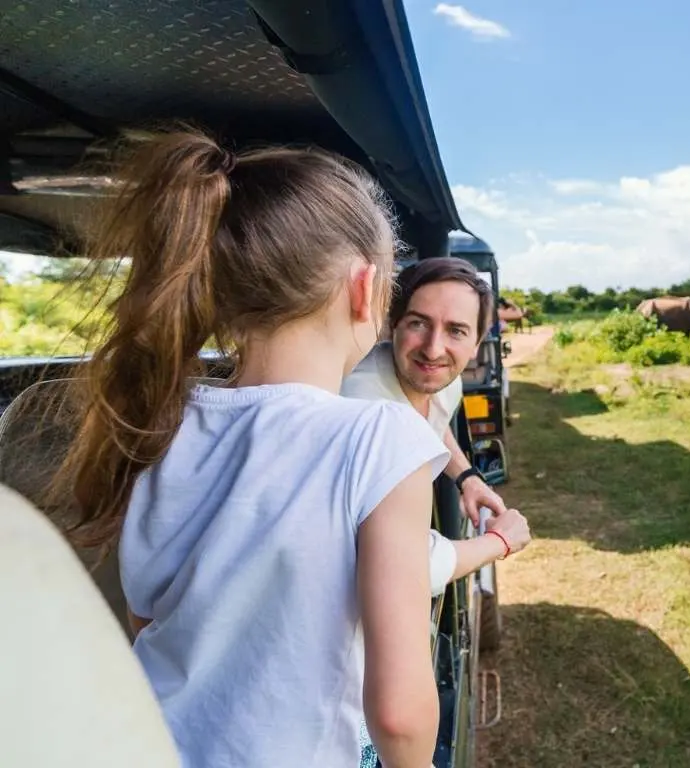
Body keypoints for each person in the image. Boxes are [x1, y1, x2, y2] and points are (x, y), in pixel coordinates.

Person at [52, 130, 448, 768]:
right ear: (365, 288)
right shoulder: (381, 438)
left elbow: (147, 621)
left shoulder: (161, 422)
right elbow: (400, 714)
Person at [341, 256, 531, 598]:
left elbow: (435, 423)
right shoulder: (366, 415)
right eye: (418, 323)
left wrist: (467, 477)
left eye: (456, 331)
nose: (433, 350)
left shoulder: (444, 383)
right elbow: (403, 569)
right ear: (393, 324)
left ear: (477, 343)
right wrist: (499, 542)